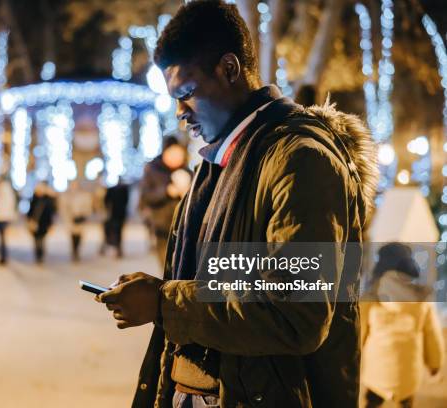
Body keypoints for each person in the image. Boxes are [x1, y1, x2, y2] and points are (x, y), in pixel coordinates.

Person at [96, 1, 379, 407]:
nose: (181, 113)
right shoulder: (218, 161)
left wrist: (163, 302)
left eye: (187, 93)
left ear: (229, 69)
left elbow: (296, 314)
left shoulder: (301, 160)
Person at [360, 243, 444, 408]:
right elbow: (431, 334)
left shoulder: (372, 295)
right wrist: (435, 363)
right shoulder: (421, 297)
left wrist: (355, 357)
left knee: (372, 401)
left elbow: (360, 330)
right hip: (408, 373)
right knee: (406, 401)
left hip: (377, 370)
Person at [139, 136, 191, 264]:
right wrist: (167, 191)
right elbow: (146, 195)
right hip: (162, 224)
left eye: (179, 154)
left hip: (184, 223)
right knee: (166, 262)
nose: (176, 157)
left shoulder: (187, 171)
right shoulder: (152, 169)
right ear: (165, 153)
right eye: (172, 153)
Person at [59, 180, 93, 262]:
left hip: (80, 219)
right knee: (72, 236)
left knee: (79, 236)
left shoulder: (84, 195)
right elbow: (63, 208)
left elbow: (88, 207)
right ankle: (74, 251)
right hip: (70, 219)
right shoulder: (66, 196)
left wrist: (83, 214)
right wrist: (67, 216)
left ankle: (77, 250)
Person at [27, 181, 57, 263]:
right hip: (35, 223)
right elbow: (30, 212)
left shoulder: (48, 199)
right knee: (36, 240)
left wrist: (50, 224)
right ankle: (38, 254)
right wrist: (29, 220)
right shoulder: (34, 199)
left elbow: (51, 212)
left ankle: (41, 254)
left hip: (44, 223)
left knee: (42, 240)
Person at [102, 178, 130, 258]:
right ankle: (116, 248)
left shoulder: (118, 189)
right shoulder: (123, 189)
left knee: (116, 231)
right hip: (116, 214)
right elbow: (126, 201)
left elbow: (106, 201)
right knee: (116, 232)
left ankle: (117, 248)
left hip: (116, 214)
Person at [0, 173, 17, 264]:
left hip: (3, 216)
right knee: (2, 237)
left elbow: (6, 204)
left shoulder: (3, 189)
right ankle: (3, 255)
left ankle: (3, 256)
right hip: (2, 216)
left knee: (2, 237)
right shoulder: (3, 189)